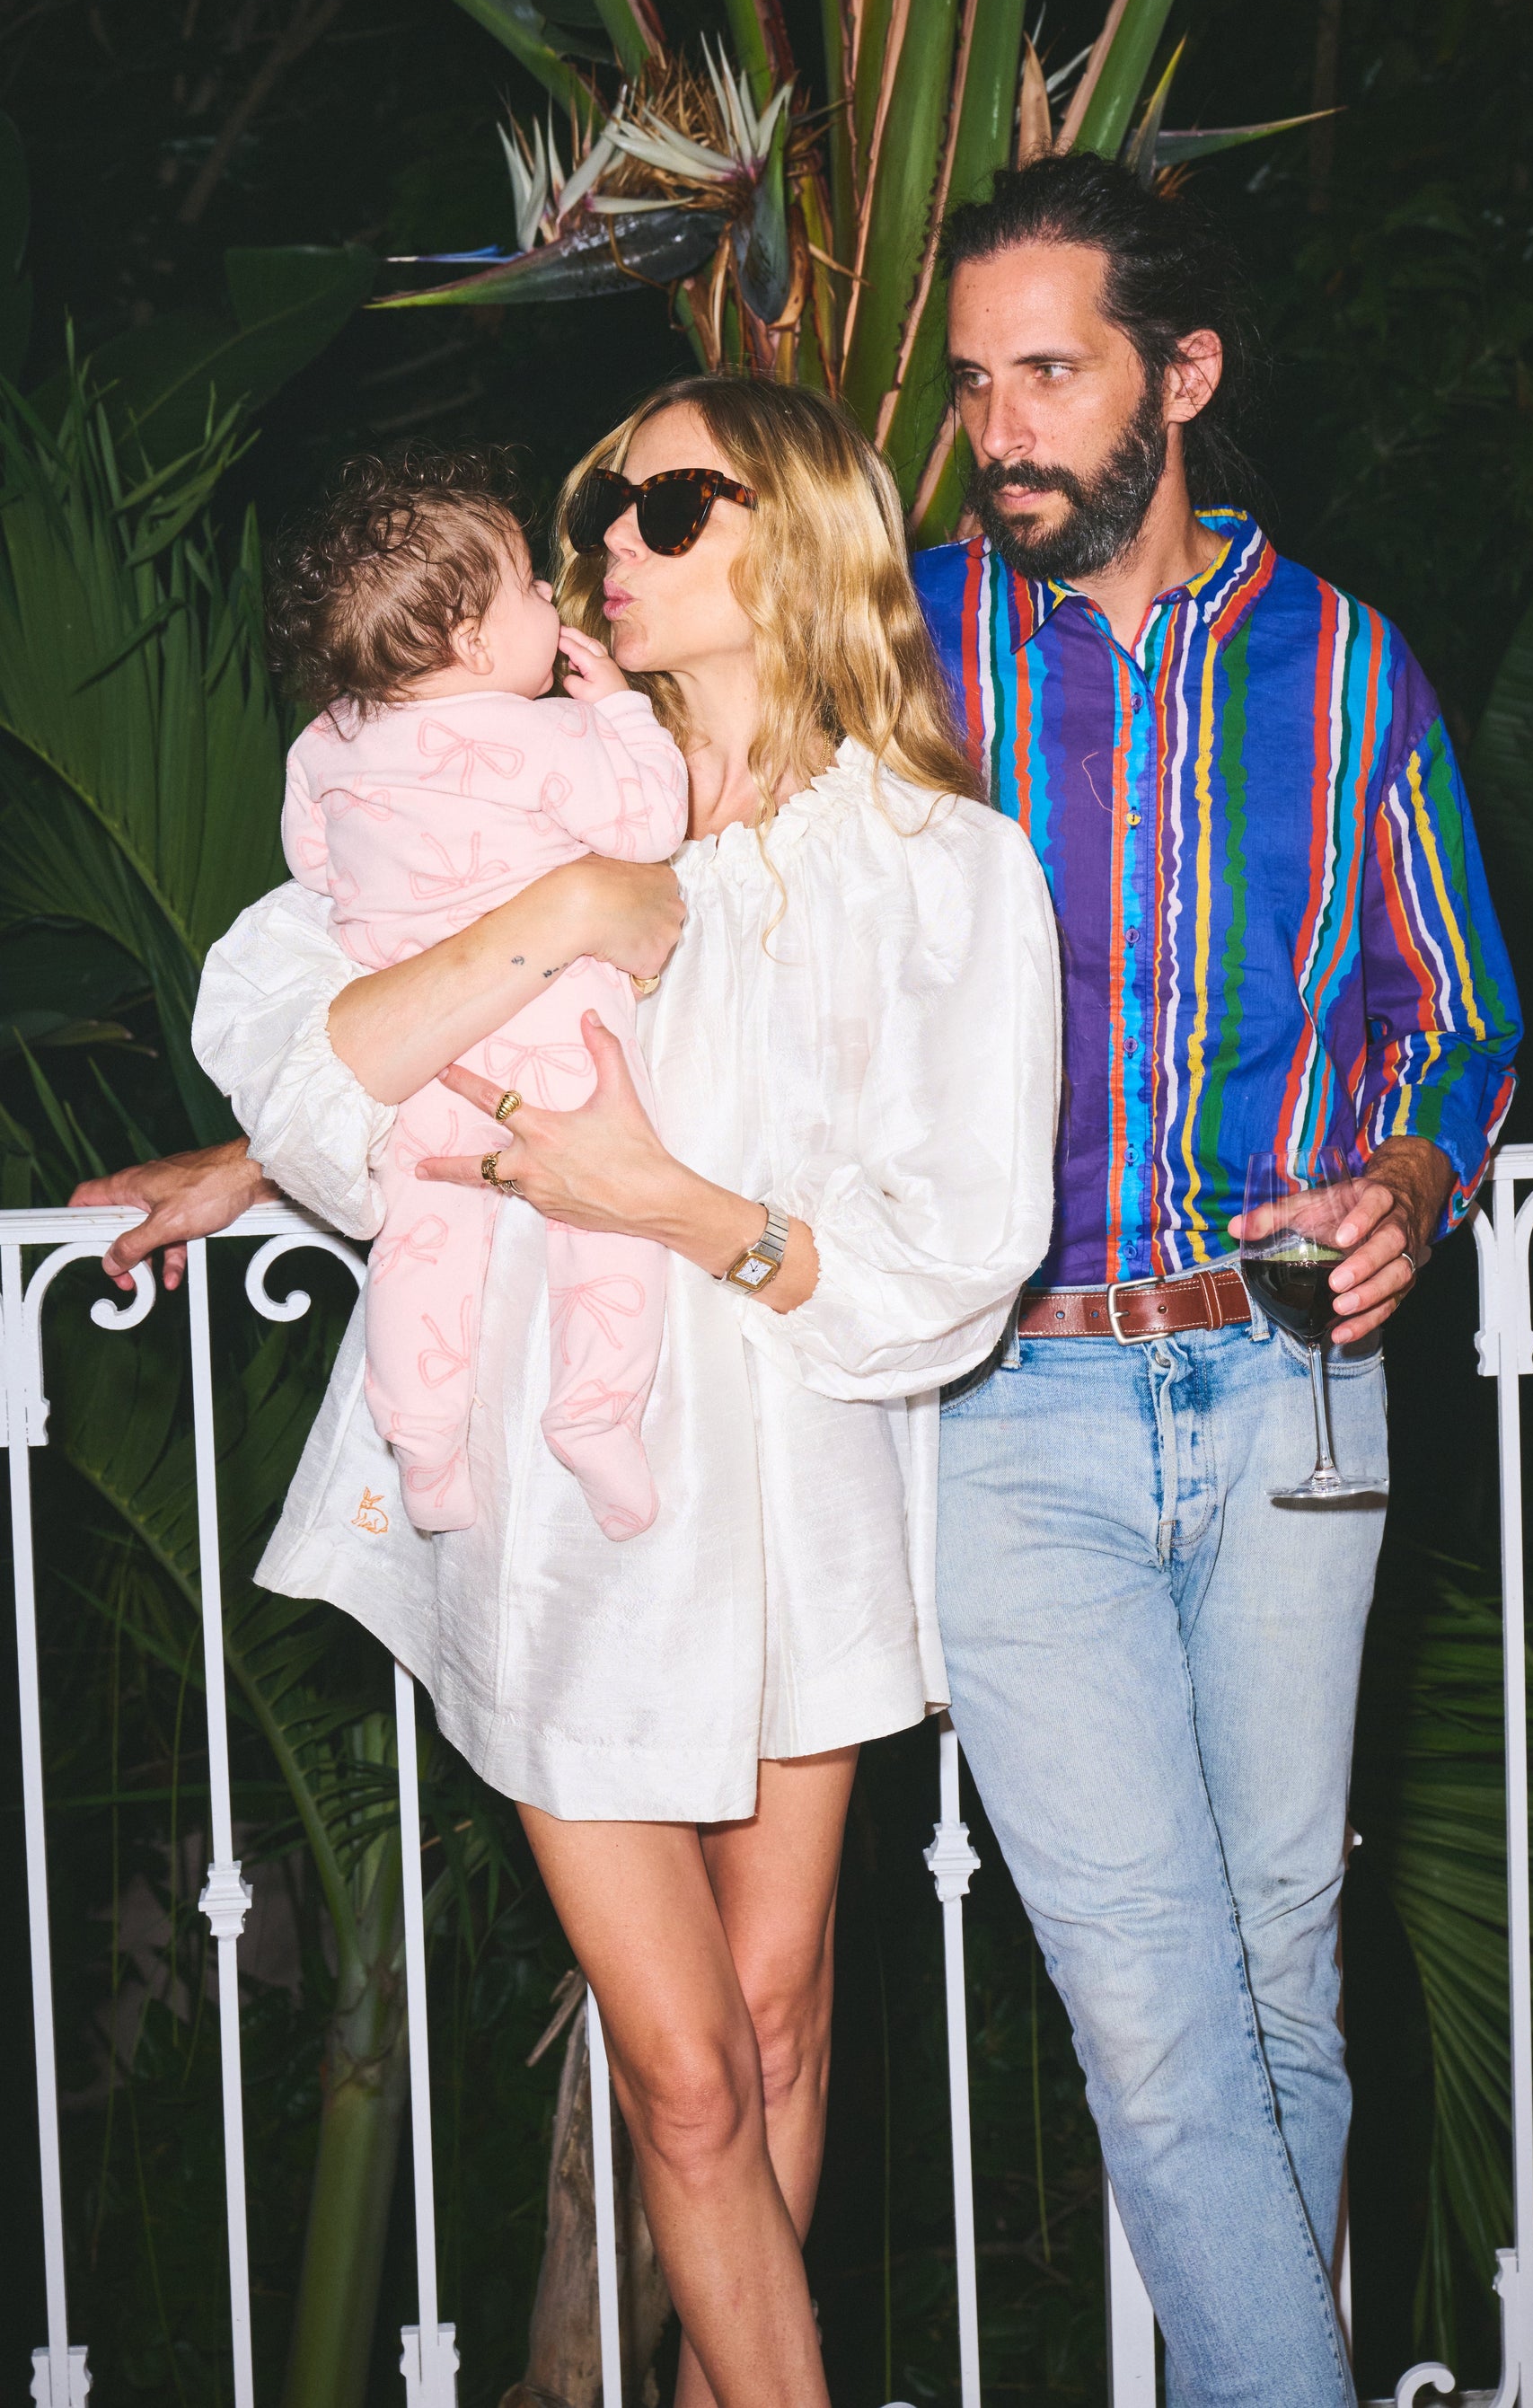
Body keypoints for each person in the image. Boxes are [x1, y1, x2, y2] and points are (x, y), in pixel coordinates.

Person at [81, 378, 1061, 2408]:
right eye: (606, 498)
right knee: (684, 2072)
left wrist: (664, 1202)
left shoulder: (938, 871)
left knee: (776, 2028)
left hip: (799, 1498)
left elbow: (955, 1254)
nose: (608, 530)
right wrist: (321, 1110)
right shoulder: (476, 779)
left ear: (800, 534)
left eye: (669, 502)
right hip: (560, 1520)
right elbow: (318, 1047)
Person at [911, 153, 1521, 2408]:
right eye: (975, 383)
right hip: (1007, 1403)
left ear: (1181, 376)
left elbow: (1460, 1015)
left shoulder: (1347, 667)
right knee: (1159, 2014)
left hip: (1289, 1388)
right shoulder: (903, 647)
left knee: (1276, 1990)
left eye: (1047, 374)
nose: (999, 434)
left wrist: (1416, 1177)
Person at [273, 448, 690, 1538]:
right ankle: (593, 1415)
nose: (552, 593)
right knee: (605, 1228)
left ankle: (421, 1441)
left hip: (426, 1051)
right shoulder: (547, 732)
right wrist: (623, 718)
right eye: (529, 585)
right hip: (558, 1036)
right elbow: (647, 828)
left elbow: (313, 867)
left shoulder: (324, 743)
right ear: (471, 640)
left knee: (421, 1241)